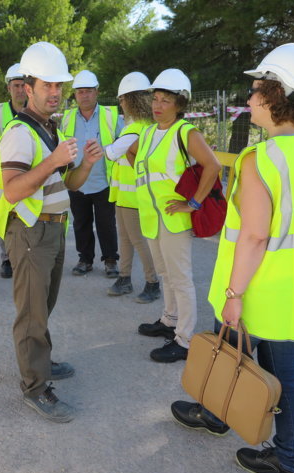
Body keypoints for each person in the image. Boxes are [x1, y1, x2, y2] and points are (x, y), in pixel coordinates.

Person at [171, 43, 294, 473]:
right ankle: (282, 454)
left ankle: (231, 424)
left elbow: (255, 235)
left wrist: (233, 293)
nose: (250, 96)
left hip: (258, 291)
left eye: (257, 87)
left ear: (276, 94)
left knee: (232, 357)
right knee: (285, 377)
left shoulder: (261, 158)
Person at [0, 42, 104, 423]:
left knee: (43, 307)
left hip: (51, 231)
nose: (55, 92)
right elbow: (13, 190)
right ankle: (35, 387)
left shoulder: (49, 128)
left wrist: (85, 164)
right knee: (32, 315)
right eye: (47, 85)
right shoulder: (20, 132)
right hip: (30, 233)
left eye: (59, 85)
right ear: (28, 88)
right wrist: (53, 160)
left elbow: (68, 184)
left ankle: (41, 362)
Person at [127, 69, 220, 362]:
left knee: (180, 279)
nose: (157, 105)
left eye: (165, 100)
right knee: (165, 273)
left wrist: (193, 203)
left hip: (173, 218)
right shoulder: (148, 132)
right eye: (155, 99)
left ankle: (185, 339)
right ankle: (169, 320)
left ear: (179, 104)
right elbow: (133, 155)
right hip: (151, 216)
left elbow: (213, 166)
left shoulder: (186, 132)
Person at [105, 72, 161, 303]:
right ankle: (124, 278)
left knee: (137, 240)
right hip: (125, 195)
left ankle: (152, 282)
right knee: (125, 239)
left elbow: (111, 153)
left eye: (122, 99)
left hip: (133, 197)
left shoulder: (135, 128)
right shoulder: (146, 125)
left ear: (131, 100)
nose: (121, 104)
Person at [61, 70, 123, 277]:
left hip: (104, 181)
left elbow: (124, 143)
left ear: (97, 92)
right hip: (77, 182)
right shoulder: (67, 118)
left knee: (106, 223)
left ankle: (111, 260)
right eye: (80, 91)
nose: (84, 95)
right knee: (81, 223)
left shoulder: (111, 116)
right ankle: (85, 259)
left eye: (88, 91)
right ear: (75, 94)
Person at [0, 63, 28, 279]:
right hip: (5, 176)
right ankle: (7, 259)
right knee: (5, 216)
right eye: (16, 86)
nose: (20, 90)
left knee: (29, 214)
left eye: (23, 85)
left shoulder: (36, 108)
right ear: (8, 88)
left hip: (30, 174)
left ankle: (27, 256)